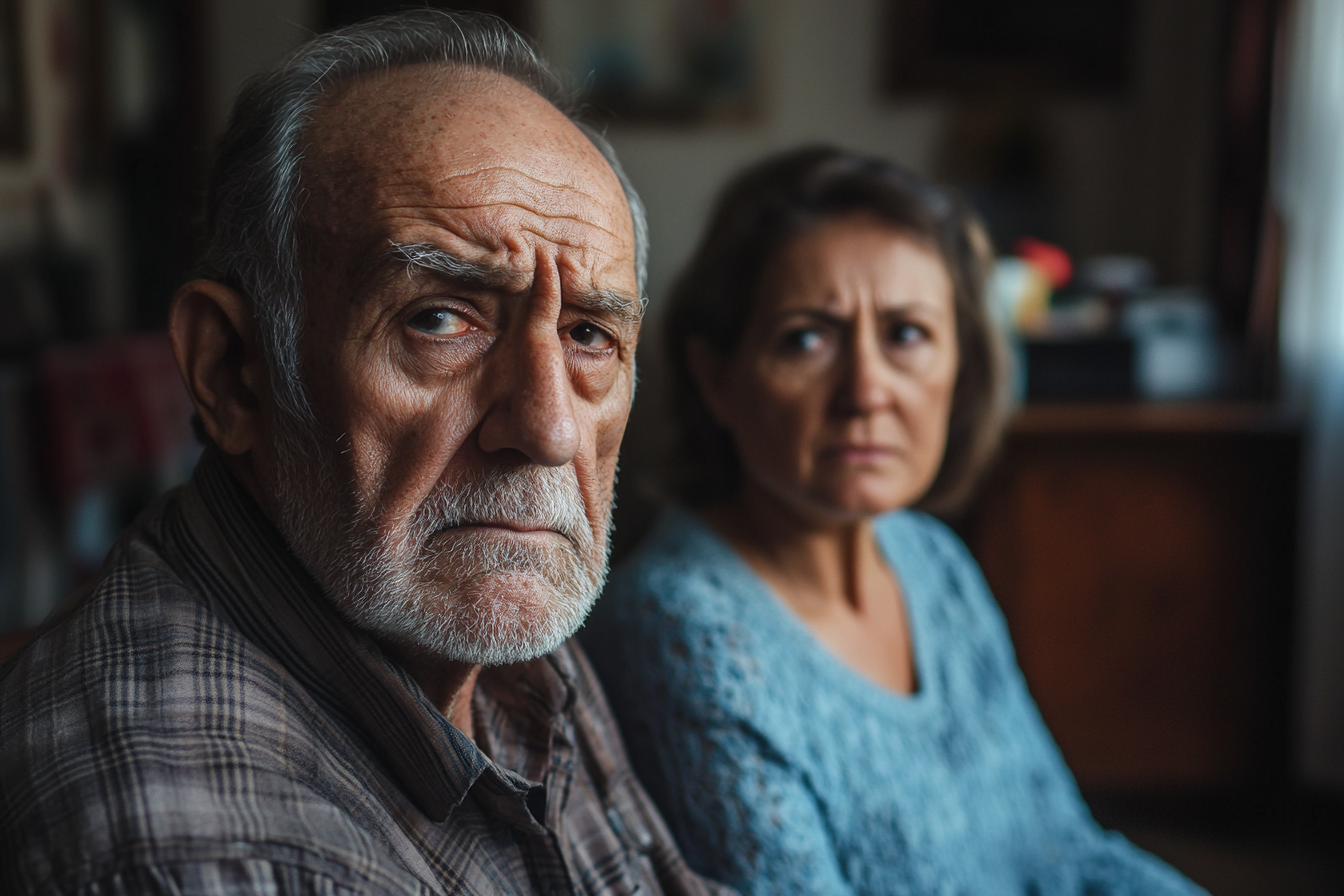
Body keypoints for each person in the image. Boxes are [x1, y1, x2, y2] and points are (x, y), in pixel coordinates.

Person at [0, 12, 733, 896]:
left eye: (588, 334)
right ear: (232, 372)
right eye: (440, 319)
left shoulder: (483, 598)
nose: (547, 430)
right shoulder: (193, 850)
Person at [582, 146, 1206, 896]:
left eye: (906, 334)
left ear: (960, 367)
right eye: (806, 338)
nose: (866, 391)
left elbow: (1062, 851)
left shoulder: (930, 561)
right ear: (718, 377)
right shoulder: (680, 630)